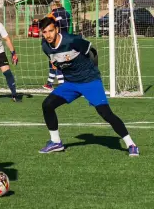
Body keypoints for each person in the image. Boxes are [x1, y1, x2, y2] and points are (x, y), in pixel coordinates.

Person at [37, 16, 139, 156]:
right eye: (44, 32)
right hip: (71, 84)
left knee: (105, 113)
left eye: (50, 31)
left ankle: (131, 144)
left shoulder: (72, 40)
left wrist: (92, 72)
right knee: (47, 105)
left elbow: (93, 52)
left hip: (90, 81)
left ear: (57, 29)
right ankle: (56, 142)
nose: (48, 35)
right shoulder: (45, 46)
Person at [43, 0, 72, 90]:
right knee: (54, 61)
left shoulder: (52, 14)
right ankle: (50, 83)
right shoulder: (67, 13)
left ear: (53, 6)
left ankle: (62, 84)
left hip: (56, 41)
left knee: (56, 61)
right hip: (66, 39)